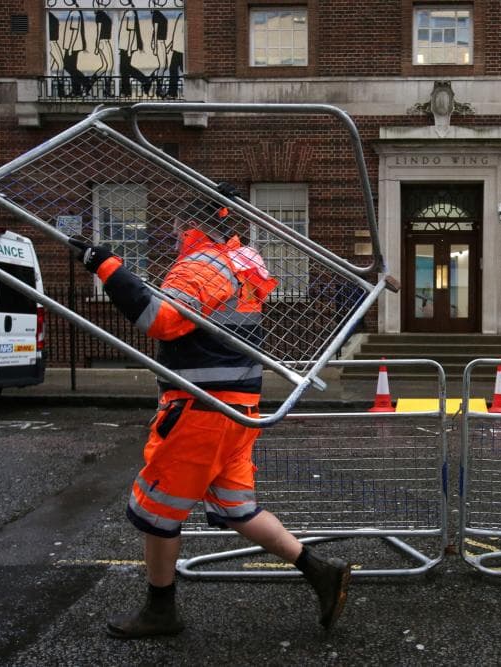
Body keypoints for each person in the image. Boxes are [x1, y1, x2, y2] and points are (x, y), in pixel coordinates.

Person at [69, 186, 350, 639]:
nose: (175, 239)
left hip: (201, 410)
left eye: (178, 230)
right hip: (236, 408)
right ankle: (319, 571)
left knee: (156, 510)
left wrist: (107, 267)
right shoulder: (242, 262)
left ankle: (160, 612)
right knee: (238, 508)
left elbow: (161, 319)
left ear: (192, 227)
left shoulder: (199, 264)